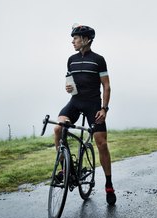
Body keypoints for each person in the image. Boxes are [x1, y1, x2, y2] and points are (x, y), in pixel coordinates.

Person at [54, 24, 116, 205]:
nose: (72, 41)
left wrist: (104, 109)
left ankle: (109, 184)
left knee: (101, 143)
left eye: (76, 38)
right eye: (73, 38)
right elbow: (69, 83)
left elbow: (106, 85)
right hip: (75, 102)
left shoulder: (99, 60)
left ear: (86, 39)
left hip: (93, 105)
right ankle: (65, 169)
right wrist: (68, 88)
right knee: (58, 129)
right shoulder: (71, 59)